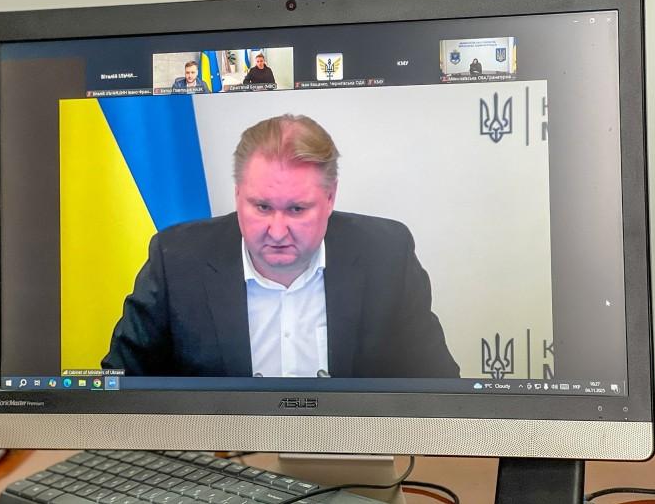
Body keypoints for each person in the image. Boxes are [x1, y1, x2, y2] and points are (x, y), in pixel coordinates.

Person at [102, 114, 459, 378]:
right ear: (238, 194)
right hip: (220, 451)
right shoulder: (176, 259)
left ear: (330, 198)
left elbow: (435, 384)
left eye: (297, 209)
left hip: (350, 448)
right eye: (262, 207)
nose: (276, 231)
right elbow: (120, 384)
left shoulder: (387, 255)